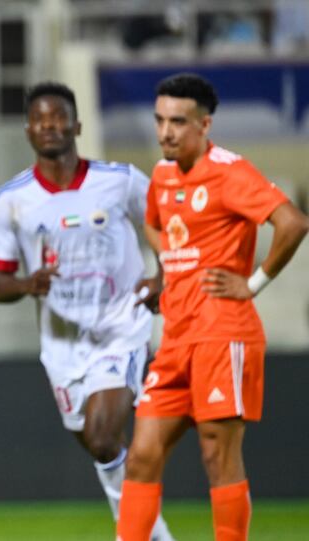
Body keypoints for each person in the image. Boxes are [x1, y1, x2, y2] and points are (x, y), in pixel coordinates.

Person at [116, 73, 309, 541]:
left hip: (224, 332)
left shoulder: (230, 171)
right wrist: (171, 273)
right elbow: (156, 227)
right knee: (142, 453)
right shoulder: (162, 175)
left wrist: (253, 282)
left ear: (205, 125)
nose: (166, 132)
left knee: (214, 454)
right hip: (177, 337)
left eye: (178, 122)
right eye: (160, 120)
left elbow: (293, 223)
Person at [0, 81, 174, 540]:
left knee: (106, 437)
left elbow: (170, 227)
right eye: (40, 119)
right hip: (62, 342)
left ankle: (134, 532)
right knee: (97, 443)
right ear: (28, 130)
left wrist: (164, 275)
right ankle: (154, 531)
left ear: (77, 124)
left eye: (59, 116)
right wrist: (29, 283)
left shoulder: (120, 179)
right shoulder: (10, 199)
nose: (50, 125)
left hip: (120, 324)